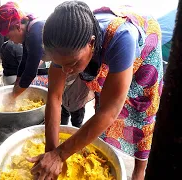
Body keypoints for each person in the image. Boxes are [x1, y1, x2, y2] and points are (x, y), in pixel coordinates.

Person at [27, 1, 163, 180]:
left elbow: (110, 110)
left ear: (91, 43)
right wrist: (50, 154)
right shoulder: (64, 48)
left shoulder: (122, 37)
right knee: (102, 106)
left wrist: (60, 155)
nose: (66, 71)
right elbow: (54, 96)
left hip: (144, 54)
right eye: (60, 64)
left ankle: (139, 170)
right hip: (104, 51)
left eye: (73, 63)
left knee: (141, 112)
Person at [0, 2, 48, 97]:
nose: (12, 41)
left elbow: (31, 71)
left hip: (72, 62)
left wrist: (13, 97)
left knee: (70, 104)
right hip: (61, 63)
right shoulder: (28, 32)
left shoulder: (35, 31)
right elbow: (24, 61)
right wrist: (17, 83)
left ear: (17, 27)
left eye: (9, 36)